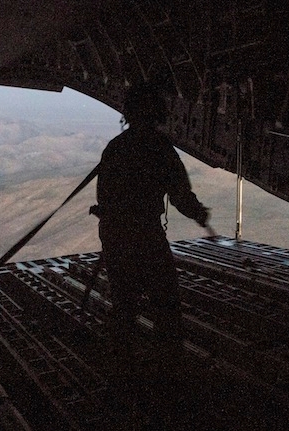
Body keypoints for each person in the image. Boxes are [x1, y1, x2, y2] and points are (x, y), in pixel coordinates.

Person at [93, 81, 210, 355]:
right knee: (165, 303)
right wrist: (199, 215)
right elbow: (180, 195)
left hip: (115, 234)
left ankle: (122, 364)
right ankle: (168, 366)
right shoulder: (160, 148)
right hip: (145, 235)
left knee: (124, 303)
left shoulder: (115, 148)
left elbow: (105, 196)